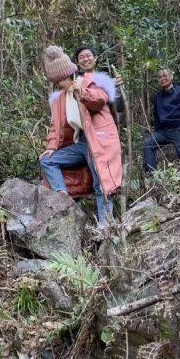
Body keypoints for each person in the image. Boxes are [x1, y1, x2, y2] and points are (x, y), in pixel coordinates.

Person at [40, 45, 122, 226]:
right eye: (56, 81)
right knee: (48, 160)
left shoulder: (89, 81)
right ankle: (63, 197)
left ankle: (105, 226)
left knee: (101, 183)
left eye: (60, 79)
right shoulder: (59, 99)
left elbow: (99, 100)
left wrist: (81, 92)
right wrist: (51, 147)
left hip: (99, 139)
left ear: (68, 74)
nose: (59, 84)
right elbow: (55, 127)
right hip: (81, 144)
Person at [143, 68, 180, 173]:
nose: (163, 79)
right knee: (148, 144)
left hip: (179, 128)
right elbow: (157, 116)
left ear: (171, 77)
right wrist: (156, 132)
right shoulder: (158, 96)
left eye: (165, 76)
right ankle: (152, 176)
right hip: (163, 131)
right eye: (160, 77)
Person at [74, 45, 125, 118]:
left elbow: (119, 108)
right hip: (85, 125)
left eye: (88, 56)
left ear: (95, 58)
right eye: (81, 57)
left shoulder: (107, 80)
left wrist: (118, 89)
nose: (85, 59)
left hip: (106, 124)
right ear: (78, 63)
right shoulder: (76, 83)